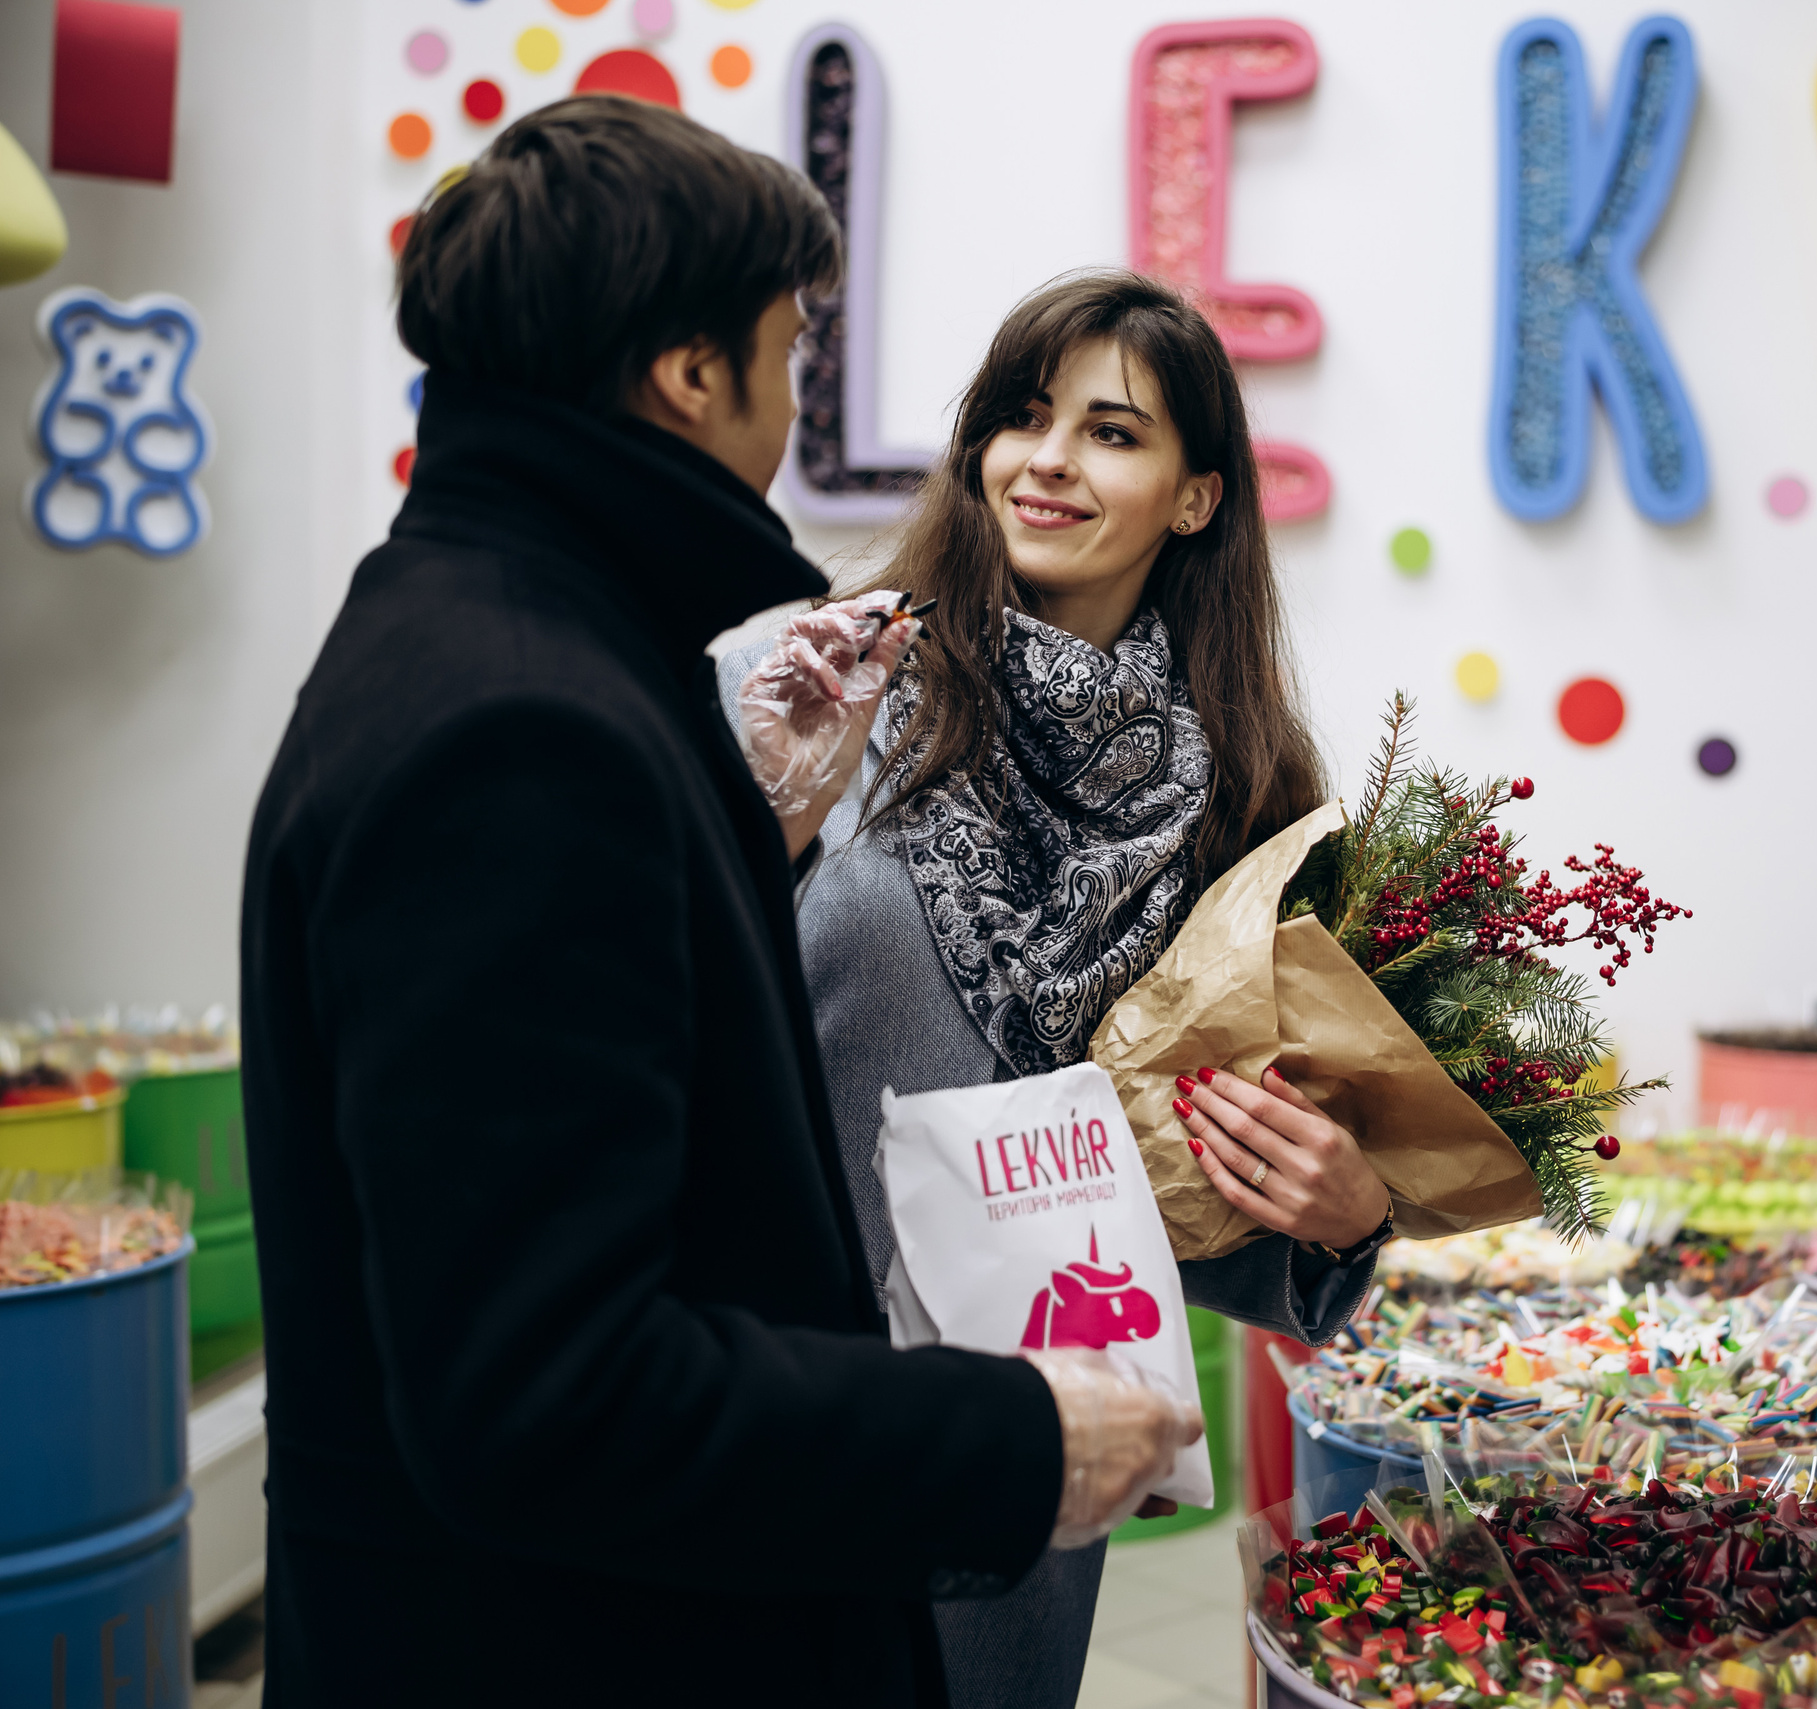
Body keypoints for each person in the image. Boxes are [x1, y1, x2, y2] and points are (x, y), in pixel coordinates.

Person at [238, 99, 1193, 1708]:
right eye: (790, 347)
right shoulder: (523, 726)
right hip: (572, 1644)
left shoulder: (506, 633)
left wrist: (757, 833)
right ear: (693, 373)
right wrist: (1011, 1433)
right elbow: (551, 1391)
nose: (797, 389)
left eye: (1117, 429)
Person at [722, 270, 1395, 1709]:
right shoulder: (831, 687)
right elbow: (664, 1015)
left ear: (1196, 497)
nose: (1047, 461)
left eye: (1110, 433)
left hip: (1026, 1442)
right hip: (769, 1411)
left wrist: (1344, 1220)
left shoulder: (1244, 809)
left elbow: (1176, 1186)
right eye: (1022, 419)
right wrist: (769, 825)